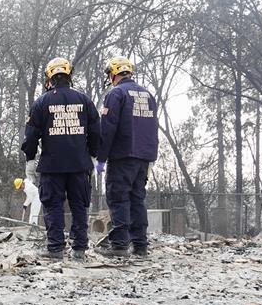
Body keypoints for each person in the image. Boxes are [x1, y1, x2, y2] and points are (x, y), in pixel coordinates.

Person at [21, 57, 100, 260]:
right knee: (79, 205)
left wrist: (30, 158)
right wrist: (93, 154)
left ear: (50, 77)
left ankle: (55, 248)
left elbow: (31, 135)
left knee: (53, 205)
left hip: (52, 165)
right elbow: (96, 132)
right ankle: (80, 249)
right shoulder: (85, 101)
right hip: (79, 164)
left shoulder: (41, 102)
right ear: (69, 75)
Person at [95, 56, 159, 258]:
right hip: (144, 156)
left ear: (114, 73)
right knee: (137, 199)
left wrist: (101, 157)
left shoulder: (116, 94)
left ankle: (120, 245)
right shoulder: (148, 95)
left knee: (119, 199)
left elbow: (107, 128)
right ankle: (140, 244)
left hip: (122, 155)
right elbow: (152, 128)